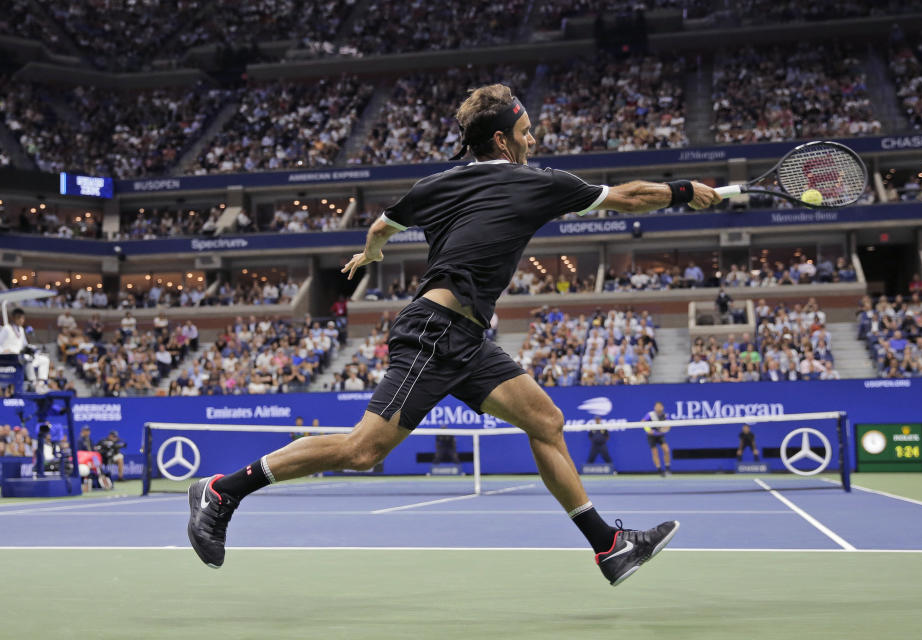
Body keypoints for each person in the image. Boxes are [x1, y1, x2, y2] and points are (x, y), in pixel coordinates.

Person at [187, 83, 720, 585]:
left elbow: (380, 227)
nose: (532, 140)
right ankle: (221, 491)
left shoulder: (435, 186)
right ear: (501, 140)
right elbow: (627, 198)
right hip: (434, 334)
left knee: (546, 420)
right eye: (526, 131)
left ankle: (609, 546)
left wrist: (371, 254)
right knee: (362, 450)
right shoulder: (533, 182)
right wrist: (683, 190)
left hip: (467, 341)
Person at [0, 308, 50, 393]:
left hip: (21, 356)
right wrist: (3, 351)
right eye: (21, 318)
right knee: (27, 359)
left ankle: (41, 383)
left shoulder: (21, 329)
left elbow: (24, 345)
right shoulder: (7, 328)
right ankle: (33, 382)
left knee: (44, 360)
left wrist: (34, 349)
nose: (23, 320)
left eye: (23, 318)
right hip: (9, 358)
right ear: (15, 318)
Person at [642, 402, 672, 476]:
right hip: (651, 436)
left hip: (660, 436)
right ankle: (659, 470)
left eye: (660, 406)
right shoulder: (650, 414)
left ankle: (667, 469)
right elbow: (642, 422)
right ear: (654, 407)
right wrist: (648, 430)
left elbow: (668, 426)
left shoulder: (665, 415)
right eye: (657, 406)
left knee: (666, 450)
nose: (658, 408)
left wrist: (665, 429)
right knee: (655, 452)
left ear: (662, 407)